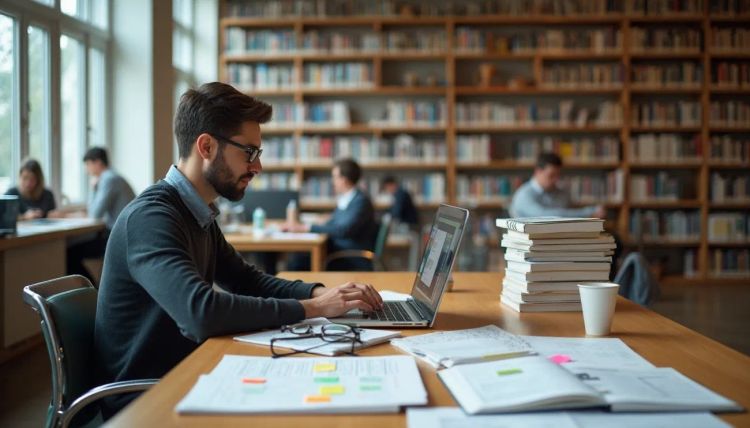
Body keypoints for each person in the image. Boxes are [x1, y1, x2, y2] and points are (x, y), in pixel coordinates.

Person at [94, 82, 383, 418]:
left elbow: (247, 280)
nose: (257, 167)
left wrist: (325, 295)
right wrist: (313, 307)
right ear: (206, 146)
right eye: (250, 152)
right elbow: (200, 314)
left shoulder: (196, 213)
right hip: (147, 399)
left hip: (187, 372)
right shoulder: (151, 218)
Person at [283, 158, 378, 270]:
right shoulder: (349, 198)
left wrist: (306, 227)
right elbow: (335, 221)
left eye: (335, 177)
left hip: (349, 254)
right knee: (298, 257)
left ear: (344, 179)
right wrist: (317, 221)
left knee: (298, 261)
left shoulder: (360, 201)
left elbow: (343, 230)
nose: (333, 182)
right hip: (339, 248)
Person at [64, 147, 136, 282]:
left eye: (87, 164)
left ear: (97, 163)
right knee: (72, 249)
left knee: (68, 253)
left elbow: (94, 213)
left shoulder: (109, 179)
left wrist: (93, 188)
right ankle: (94, 290)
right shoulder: (114, 177)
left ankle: (93, 291)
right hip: (123, 233)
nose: (87, 170)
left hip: (118, 237)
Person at [509, 152, 606, 219]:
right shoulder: (524, 195)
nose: (556, 180)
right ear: (538, 172)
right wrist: (590, 212)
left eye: (558, 175)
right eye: (551, 175)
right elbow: (547, 217)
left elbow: (566, 216)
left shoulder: (562, 193)